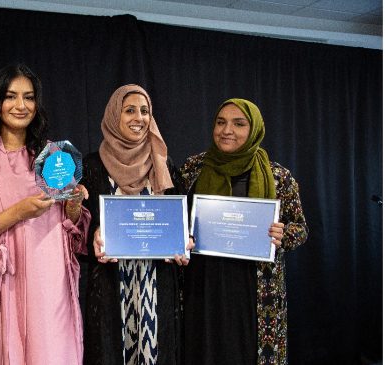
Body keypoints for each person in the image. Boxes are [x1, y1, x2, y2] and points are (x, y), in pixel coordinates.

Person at [0, 63, 91, 365]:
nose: (21, 105)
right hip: (0, 283)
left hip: (49, 282)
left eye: (29, 97)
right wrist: (17, 213)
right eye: (11, 96)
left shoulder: (53, 157)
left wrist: (73, 205)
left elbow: (72, 230)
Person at [180, 98, 308, 365]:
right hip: (203, 283)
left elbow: (300, 229)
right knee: (203, 349)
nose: (227, 130)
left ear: (254, 130)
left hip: (255, 288)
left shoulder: (278, 176)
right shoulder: (193, 168)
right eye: (220, 122)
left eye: (239, 124)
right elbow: (176, 217)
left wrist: (283, 235)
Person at [81, 84, 192, 365]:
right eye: (129, 110)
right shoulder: (92, 167)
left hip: (157, 287)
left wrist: (184, 241)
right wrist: (92, 232)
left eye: (145, 111)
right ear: (113, 116)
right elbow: (77, 226)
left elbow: (181, 222)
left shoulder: (164, 165)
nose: (138, 118)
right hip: (109, 285)